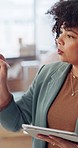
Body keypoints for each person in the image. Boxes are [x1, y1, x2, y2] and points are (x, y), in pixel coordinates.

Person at [1, 0, 78, 148]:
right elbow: (15, 122)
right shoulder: (48, 73)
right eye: (60, 32)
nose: (58, 40)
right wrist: (1, 85)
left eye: (70, 36)